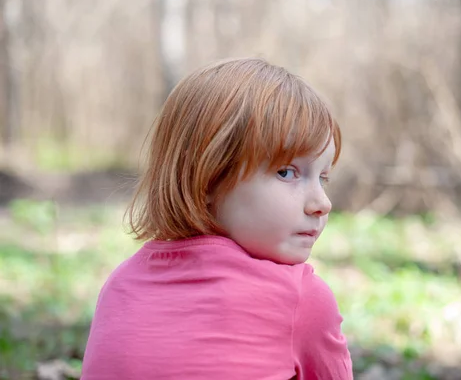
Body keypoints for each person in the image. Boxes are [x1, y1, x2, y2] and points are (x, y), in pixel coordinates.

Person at [80, 58, 353, 379]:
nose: (322, 203)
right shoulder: (303, 301)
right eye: (287, 172)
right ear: (208, 177)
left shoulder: (120, 285)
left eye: (323, 177)